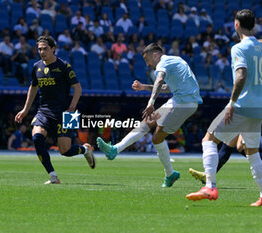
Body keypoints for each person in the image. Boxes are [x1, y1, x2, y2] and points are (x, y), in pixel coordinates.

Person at [186, 10, 262, 207]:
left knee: (209, 138)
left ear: (236, 25)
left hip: (241, 106)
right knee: (253, 153)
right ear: (254, 26)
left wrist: (231, 103)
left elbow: (240, 76)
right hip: (258, 108)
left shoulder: (239, 48)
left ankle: (210, 187)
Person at [97, 43, 203, 188]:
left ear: (155, 55)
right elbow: (166, 88)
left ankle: (170, 174)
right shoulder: (176, 61)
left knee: (157, 138)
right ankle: (115, 149)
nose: (147, 64)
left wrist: (151, 102)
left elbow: (159, 81)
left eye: (147, 60)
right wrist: (144, 87)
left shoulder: (164, 62)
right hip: (179, 100)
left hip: (184, 103)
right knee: (146, 122)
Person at [15, 36, 95, 184]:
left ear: (53, 49)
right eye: (39, 49)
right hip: (44, 111)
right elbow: (33, 88)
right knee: (37, 137)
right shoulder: (36, 66)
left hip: (66, 113)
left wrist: (72, 108)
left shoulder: (64, 66)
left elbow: (77, 88)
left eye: (45, 48)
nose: (42, 52)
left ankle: (85, 150)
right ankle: (52, 176)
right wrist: (25, 109)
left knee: (65, 151)